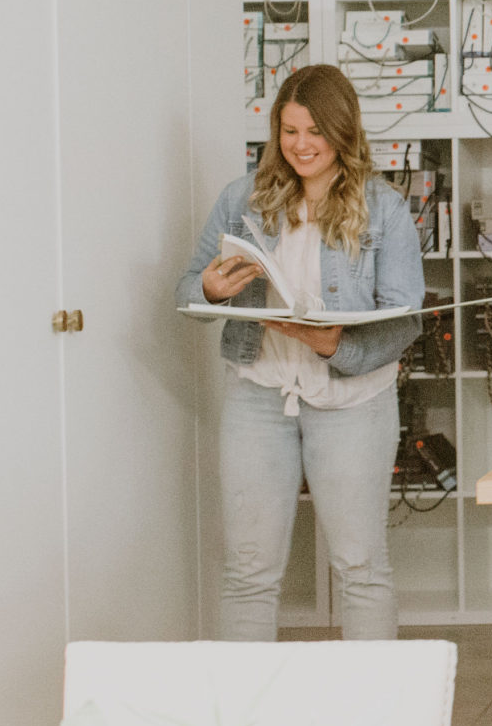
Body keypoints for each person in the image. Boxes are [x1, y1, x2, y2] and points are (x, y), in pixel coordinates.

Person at [175, 65, 424, 641]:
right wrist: (210, 289)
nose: (301, 145)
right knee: (248, 571)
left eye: (315, 130)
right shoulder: (242, 198)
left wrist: (338, 344)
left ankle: (373, 719)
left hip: (352, 400)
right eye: (289, 131)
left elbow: (407, 317)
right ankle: (239, 722)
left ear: (343, 130)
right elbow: (189, 290)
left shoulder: (383, 208)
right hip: (259, 395)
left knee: (360, 566)